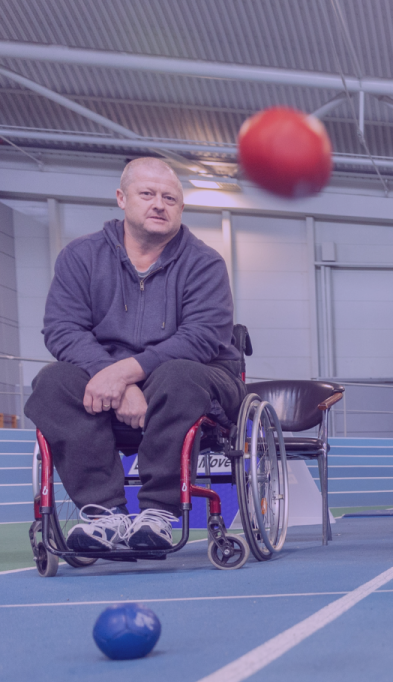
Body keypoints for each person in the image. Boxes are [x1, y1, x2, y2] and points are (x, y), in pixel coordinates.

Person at [25, 158, 245, 552]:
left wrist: (125, 372)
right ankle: (102, 514)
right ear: (122, 199)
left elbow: (201, 337)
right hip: (107, 381)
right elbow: (62, 328)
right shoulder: (81, 257)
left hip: (200, 378)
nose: (159, 204)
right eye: (147, 194)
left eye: (170, 198)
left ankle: (159, 512)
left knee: (178, 374)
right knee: (52, 381)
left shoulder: (205, 262)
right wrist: (114, 378)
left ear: (181, 208)